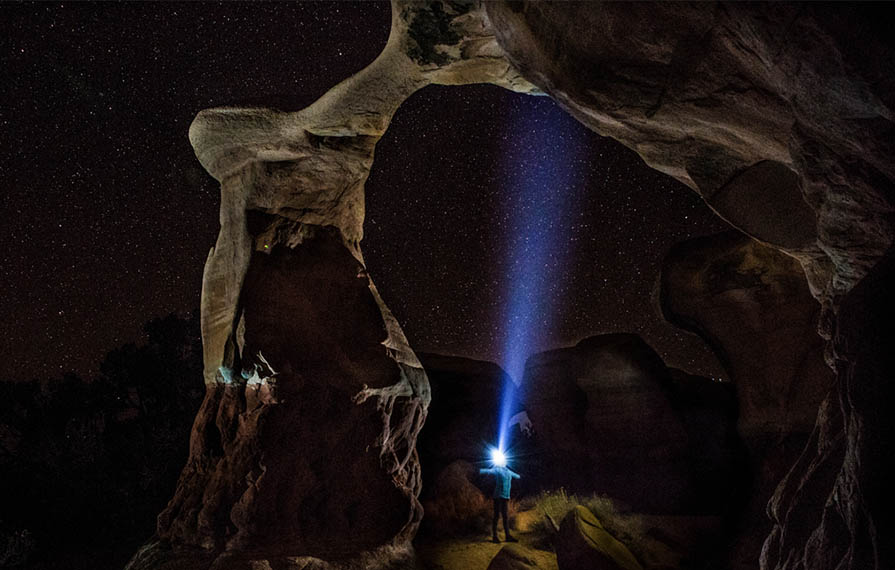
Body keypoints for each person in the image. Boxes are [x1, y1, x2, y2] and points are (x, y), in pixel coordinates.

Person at [480, 455, 520, 543]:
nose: (503, 462)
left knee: (505, 516)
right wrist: (478, 470)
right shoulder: (497, 470)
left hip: (505, 497)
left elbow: (517, 476)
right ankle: (495, 537)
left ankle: (507, 536)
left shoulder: (508, 471)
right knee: (496, 516)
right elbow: (487, 471)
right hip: (498, 496)